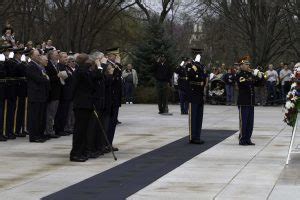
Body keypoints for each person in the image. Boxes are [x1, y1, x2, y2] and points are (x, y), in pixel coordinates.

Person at [70, 54, 94, 162]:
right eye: (88, 59)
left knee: (83, 130)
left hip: (86, 104)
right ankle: (75, 153)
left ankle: (82, 151)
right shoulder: (81, 72)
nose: (91, 61)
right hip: (81, 104)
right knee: (79, 130)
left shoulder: (85, 71)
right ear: (85, 61)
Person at [236, 57, 263, 146]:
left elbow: (259, 84)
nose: (248, 66)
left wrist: (260, 76)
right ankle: (242, 139)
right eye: (246, 64)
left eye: (248, 64)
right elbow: (245, 83)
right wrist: (254, 76)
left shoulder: (249, 74)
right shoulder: (240, 74)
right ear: (241, 66)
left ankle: (248, 138)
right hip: (243, 101)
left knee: (250, 122)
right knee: (243, 122)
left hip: (251, 101)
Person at [26, 49, 50, 143]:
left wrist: (45, 78)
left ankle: (39, 134)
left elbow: (43, 78)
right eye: (36, 55)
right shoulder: (31, 66)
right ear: (31, 56)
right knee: (34, 117)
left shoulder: (38, 66)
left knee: (40, 116)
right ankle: (33, 136)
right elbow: (38, 79)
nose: (38, 57)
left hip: (41, 94)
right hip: (35, 95)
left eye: (39, 55)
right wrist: (45, 78)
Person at [187, 53, 206, 144]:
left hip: (199, 95)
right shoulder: (192, 66)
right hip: (193, 94)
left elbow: (204, 78)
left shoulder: (201, 68)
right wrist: (195, 65)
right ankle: (192, 137)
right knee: (193, 118)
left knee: (199, 118)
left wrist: (199, 66)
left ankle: (197, 136)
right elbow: (190, 74)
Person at [54, 52, 73, 136]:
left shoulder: (66, 67)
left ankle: (63, 128)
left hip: (67, 93)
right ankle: (59, 129)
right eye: (64, 57)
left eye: (66, 57)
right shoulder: (60, 66)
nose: (66, 59)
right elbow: (67, 78)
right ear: (60, 58)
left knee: (65, 112)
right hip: (63, 93)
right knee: (61, 112)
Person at [44, 50, 61, 138]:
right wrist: (57, 76)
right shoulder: (48, 65)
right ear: (51, 56)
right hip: (52, 93)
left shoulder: (55, 64)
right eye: (56, 54)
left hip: (57, 92)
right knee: (50, 113)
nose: (58, 56)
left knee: (53, 113)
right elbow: (48, 78)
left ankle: (50, 130)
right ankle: (49, 131)